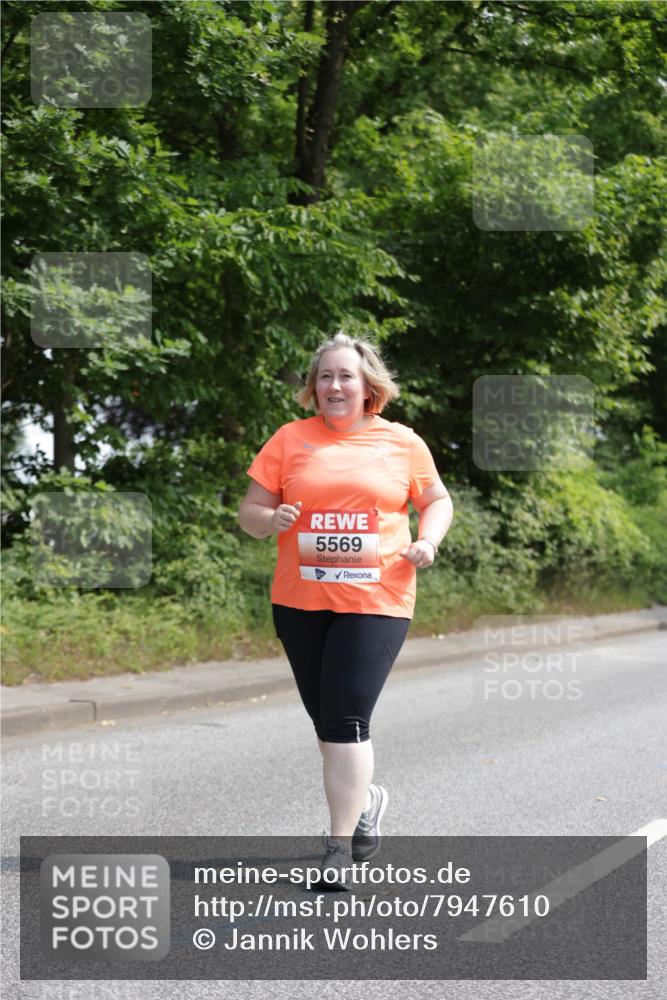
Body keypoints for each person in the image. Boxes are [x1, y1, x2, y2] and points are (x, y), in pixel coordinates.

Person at [238, 331, 453, 889]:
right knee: (326, 722)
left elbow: (435, 499)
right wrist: (271, 520)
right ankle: (365, 802)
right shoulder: (289, 439)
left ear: (367, 386)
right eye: (325, 377)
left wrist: (428, 540)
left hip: (378, 599)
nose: (335, 385)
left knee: (344, 721)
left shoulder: (401, 442)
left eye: (346, 376)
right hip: (300, 601)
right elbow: (249, 512)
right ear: (314, 387)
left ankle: (337, 848)